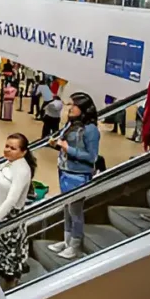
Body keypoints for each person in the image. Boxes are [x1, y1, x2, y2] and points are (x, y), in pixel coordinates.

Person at [0, 133, 36, 289]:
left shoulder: (22, 170)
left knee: (7, 263)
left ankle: (7, 292)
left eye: (13, 148)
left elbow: (12, 199)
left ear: (23, 152)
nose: (8, 150)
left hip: (6, 220)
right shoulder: (8, 163)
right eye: (7, 146)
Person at [48, 92, 100, 259]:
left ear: (83, 108)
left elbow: (92, 157)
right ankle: (67, 240)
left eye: (73, 105)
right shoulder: (70, 125)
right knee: (66, 208)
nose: (69, 108)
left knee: (75, 211)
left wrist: (67, 148)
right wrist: (57, 145)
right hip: (64, 171)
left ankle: (76, 244)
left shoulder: (91, 131)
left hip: (78, 175)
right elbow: (65, 145)